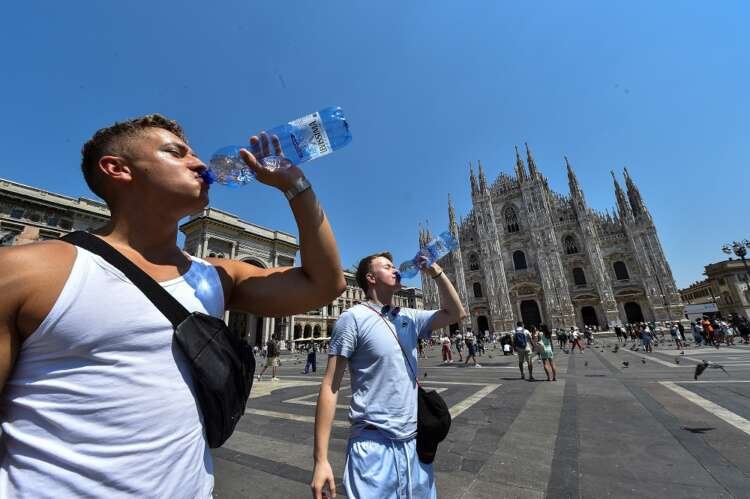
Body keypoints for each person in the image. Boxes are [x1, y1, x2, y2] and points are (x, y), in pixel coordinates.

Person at [0, 114, 347, 497]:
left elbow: (325, 284)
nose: (199, 162)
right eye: (176, 153)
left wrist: (295, 184)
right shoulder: (27, 271)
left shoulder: (214, 276)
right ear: (117, 169)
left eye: (194, 154)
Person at [310, 252, 466, 499]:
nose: (396, 270)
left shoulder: (409, 317)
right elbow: (330, 385)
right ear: (371, 278)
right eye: (387, 266)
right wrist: (321, 460)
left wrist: (436, 273)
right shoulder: (352, 319)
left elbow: (456, 314)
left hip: (415, 445)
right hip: (373, 447)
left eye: (395, 265)